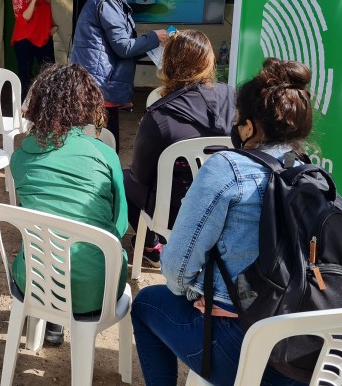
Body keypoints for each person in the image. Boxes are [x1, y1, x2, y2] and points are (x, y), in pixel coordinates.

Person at [131, 58, 312, 386]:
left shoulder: (227, 168)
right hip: (306, 351)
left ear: (249, 127)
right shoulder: (313, 174)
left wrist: (202, 294)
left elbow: (176, 269)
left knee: (146, 304)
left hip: (243, 348)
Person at [10, 62, 128, 345]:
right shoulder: (104, 155)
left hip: (36, 282)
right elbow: (119, 224)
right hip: (97, 288)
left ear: (38, 103)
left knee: (49, 242)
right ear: (86, 105)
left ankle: (51, 320)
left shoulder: (20, 157)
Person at [124, 30, 235, 267]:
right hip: (226, 202)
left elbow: (140, 176)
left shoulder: (158, 117)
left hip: (175, 212)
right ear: (208, 61)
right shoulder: (231, 97)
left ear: (168, 63)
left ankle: (152, 246)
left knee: (122, 180)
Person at [71, 0, 169, 150]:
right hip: (99, 87)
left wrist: (153, 44)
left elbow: (121, 48)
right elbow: (123, 47)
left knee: (102, 145)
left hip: (99, 85)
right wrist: (153, 38)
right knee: (104, 148)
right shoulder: (108, 1)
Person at [11, 0, 58, 97]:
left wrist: (53, 26)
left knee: (50, 74)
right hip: (25, 39)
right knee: (25, 76)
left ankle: (46, 106)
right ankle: (24, 107)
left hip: (43, 38)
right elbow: (23, 18)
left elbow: (45, 14)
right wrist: (33, 0)